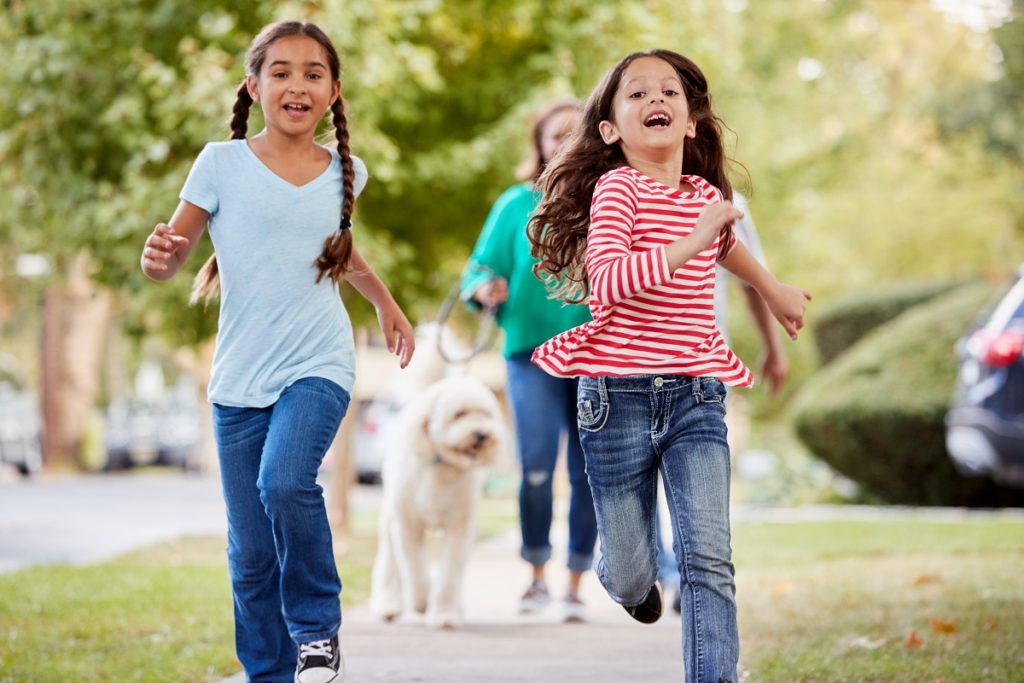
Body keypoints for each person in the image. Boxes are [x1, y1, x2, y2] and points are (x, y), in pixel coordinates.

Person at [140, 21, 414, 683]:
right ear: (254, 85)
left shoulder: (348, 170)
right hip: (238, 376)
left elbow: (335, 250)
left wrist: (383, 300)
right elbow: (169, 256)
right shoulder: (220, 164)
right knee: (252, 550)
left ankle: (318, 631)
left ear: (334, 92)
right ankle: (270, 672)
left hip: (318, 361)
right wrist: (159, 261)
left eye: (313, 73)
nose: (298, 84)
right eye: (282, 71)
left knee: (285, 482)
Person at [527, 50, 810, 682]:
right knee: (632, 569)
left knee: (709, 557)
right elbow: (607, 282)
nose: (656, 99)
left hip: (696, 395)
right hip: (615, 398)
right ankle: (622, 579)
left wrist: (772, 288)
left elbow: (728, 247)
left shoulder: (705, 196)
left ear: (690, 121)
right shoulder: (616, 188)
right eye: (637, 94)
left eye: (669, 92)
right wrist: (693, 239)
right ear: (610, 129)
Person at [460, 101, 598, 622]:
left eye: (572, 133)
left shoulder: (606, 201)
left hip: (595, 354)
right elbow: (478, 268)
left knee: (589, 472)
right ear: (538, 145)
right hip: (529, 354)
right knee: (537, 466)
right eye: (551, 135)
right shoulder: (515, 204)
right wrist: (482, 288)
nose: (561, 143)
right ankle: (537, 575)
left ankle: (576, 583)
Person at [655, 190, 789, 614]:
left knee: (695, 492)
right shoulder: (617, 186)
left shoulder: (729, 202)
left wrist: (774, 345)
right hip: (628, 372)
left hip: (702, 368)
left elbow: (751, 277)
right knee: (637, 488)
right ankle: (649, 571)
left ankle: (682, 575)